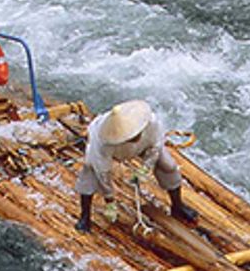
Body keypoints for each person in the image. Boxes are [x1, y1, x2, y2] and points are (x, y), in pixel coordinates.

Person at [73, 100, 199, 233]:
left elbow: (155, 147)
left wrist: (145, 168)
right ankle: (85, 216)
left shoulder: (152, 123)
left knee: (169, 166)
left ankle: (177, 205)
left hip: (145, 147)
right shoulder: (102, 142)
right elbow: (103, 172)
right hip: (115, 150)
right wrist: (109, 199)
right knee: (89, 171)